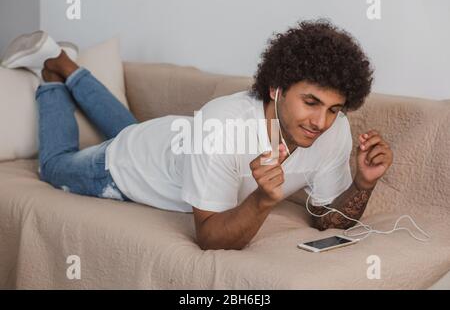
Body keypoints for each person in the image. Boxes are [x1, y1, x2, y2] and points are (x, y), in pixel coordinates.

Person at [1, 19, 393, 250]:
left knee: (134, 130)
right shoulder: (222, 124)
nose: (321, 122)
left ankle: (70, 66)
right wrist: (261, 199)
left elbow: (327, 221)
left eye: (333, 109)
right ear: (276, 88)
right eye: (310, 102)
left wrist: (362, 183)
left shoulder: (334, 130)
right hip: (126, 166)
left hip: (169, 138)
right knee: (53, 167)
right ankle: (54, 73)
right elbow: (209, 237)